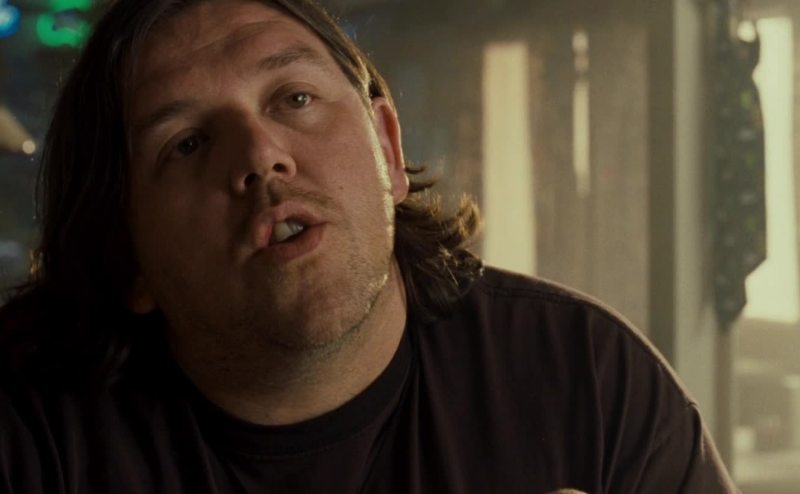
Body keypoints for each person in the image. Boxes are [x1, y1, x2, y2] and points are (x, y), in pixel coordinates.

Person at [0, 0, 739, 492]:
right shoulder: (30, 431)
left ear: (387, 147)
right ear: (126, 255)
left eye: (294, 98)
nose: (260, 155)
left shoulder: (585, 381)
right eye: (188, 143)